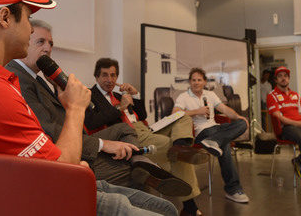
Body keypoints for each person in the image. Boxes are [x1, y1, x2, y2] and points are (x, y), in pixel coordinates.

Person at [0, 0, 178, 216]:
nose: (30, 30)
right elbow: (63, 174)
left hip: (35, 190)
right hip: (46, 201)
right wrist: (75, 109)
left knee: (164, 207)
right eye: (28, 18)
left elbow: (50, 161)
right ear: (5, 17)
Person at [6, 20, 188, 195]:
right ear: (25, 42)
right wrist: (104, 141)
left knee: (129, 135)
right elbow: (63, 127)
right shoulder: (20, 78)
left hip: (115, 133)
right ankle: (148, 167)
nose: (48, 48)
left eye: (51, 43)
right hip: (67, 152)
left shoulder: (39, 79)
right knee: (135, 168)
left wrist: (134, 96)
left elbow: (141, 114)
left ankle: (143, 159)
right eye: (41, 42)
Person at [86, 58, 210, 216]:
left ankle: (181, 146)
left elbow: (142, 115)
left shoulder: (118, 94)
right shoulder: (90, 95)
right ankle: (190, 207)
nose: (110, 80)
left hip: (146, 128)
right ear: (96, 76)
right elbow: (91, 123)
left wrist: (135, 94)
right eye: (105, 75)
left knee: (182, 117)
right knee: (169, 146)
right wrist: (119, 107)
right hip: (128, 134)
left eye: (113, 75)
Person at [173, 67, 250, 204]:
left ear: (204, 82)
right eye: (193, 80)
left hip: (216, 130)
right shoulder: (183, 97)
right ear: (190, 82)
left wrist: (239, 117)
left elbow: (225, 109)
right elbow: (175, 114)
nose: (196, 83)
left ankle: (214, 142)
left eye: (199, 80)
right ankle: (233, 189)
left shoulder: (210, 95)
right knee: (224, 144)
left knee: (242, 124)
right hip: (202, 133)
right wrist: (197, 111)